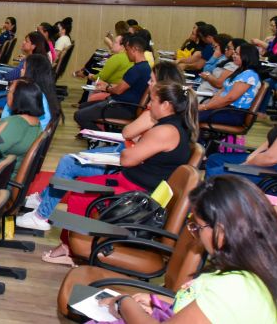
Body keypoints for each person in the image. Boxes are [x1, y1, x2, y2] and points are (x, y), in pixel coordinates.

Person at [32, 82, 196, 264]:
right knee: (79, 186)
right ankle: (69, 246)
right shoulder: (174, 127)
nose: (149, 105)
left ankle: (76, 251)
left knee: (80, 196)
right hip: (133, 184)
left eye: (154, 101)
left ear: (166, 105)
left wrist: (134, 148)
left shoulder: (165, 131)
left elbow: (126, 158)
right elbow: (132, 146)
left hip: (137, 193)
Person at [18, 63, 186, 231]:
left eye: (152, 80)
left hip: (129, 171)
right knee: (73, 160)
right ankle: (43, 200)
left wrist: (145, 125)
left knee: (68, 163)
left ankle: (42, 215)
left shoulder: (165, 126)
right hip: (127, 157)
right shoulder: (167, 118)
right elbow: (128, 134)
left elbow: (129, 146)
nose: (148, 83)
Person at [100, 176, 277, 324]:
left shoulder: (236, 286)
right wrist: (159, 301)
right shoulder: (268, 263)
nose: (195, 235)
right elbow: (215, 311)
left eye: (197, 227)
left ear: (221, 230)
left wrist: (124, 303)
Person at [205, 84, 277, 182]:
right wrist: (251, 157)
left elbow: (271, 158)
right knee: (215, 160)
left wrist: (246, 165)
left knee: (217, 174)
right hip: (275, 162)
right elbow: (271, 141)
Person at [74, 35, 151, 132]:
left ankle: (99, 138)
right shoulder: (145, 67)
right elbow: (125, 86)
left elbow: (118, 91)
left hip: (123, 107)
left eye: (127, 50)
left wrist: (106, 88)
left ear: (134, 49)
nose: (126, 53)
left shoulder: (136, 70)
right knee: (83, 106)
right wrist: (108, 86)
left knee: (79, 115)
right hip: (125, 104)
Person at [0, 79, 43, 176]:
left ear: (18, 98)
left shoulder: (16, 124)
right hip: (6, 175)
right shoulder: (35, 122)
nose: (7, 93)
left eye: (9, 90)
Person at [198, 43, 261, 126]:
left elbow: (230, 98)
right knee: (190, 114)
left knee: (190, 117)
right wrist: (207, 106)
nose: (234, 55)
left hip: (233, 113)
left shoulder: (249, 74)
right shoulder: (240, 71)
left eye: (237, 54)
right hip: (223, 109)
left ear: (247, 56)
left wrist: (205, 107)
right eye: (234, 53)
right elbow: (222, 91)